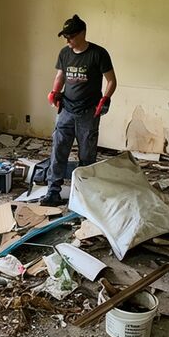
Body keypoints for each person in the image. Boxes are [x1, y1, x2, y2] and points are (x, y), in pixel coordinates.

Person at [41, 15, 117, 207]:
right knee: (58, 150)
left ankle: (84, 194)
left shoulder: (98, 54)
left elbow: (111, 81)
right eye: (65, 37)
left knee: (87, 155)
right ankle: (53, 191)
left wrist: (104, 99)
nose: (67, 41)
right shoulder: (65, 53)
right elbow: (60, 76)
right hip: (66, 110)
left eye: (71, 37)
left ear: (82, 33)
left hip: (88, 113)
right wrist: (54, 92)